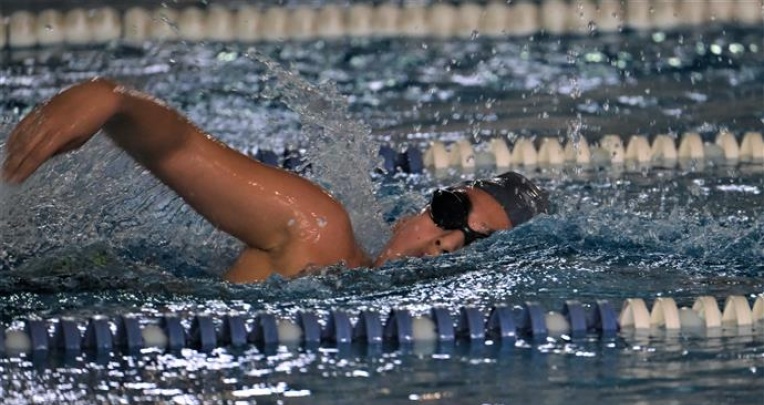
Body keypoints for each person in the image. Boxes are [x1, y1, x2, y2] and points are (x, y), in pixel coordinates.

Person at [1, 78, 548, 283]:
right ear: (421, 210)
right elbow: (181, 147)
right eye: (451, 214)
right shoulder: (322, 233)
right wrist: (111, 100)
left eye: (472, 244)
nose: (446, 242)